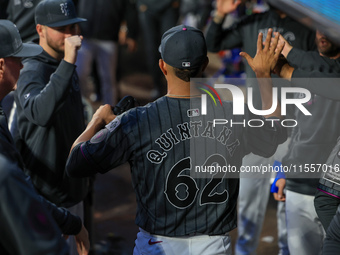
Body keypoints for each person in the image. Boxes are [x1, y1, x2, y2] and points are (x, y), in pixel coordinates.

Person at [65, 25, 286, 254]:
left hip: (158, 246)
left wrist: (98, 120)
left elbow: (75, 163)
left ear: (162, 66)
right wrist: (263, 75)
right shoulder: (233, 114)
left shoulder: (138, 120)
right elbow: (277, 131)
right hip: (212, 246)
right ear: (204, 66)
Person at [205, 1, 317, 254]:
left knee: (289, 210)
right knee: (247, 206)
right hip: (256, 126)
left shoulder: (307, 27)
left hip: (293, 129)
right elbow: (213, 44)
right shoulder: (254, 23)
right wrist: (221, 14)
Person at [0, 19, 89, 255]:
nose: (21, 65)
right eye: (17, 59)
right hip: (48, 201)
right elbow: (17, 186)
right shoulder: (201, 96)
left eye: (73, 27)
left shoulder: (201, 97)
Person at [272, 30, 340, 255]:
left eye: (330, 28)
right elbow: (294, 128)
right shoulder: (304, 71)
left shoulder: (308, 69)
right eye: (319, 29)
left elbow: (330, 75)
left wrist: (288, 59)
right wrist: (281, 171)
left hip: (334, 192)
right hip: (300, 185)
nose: (324, 35)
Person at [76, 0, 138, 105]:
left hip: (108, 37)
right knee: (79, 75)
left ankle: (110, 113)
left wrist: (130, 32)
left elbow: (129, 8)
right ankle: (81, 109)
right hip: (84, 36)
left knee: (108, 79)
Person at [137, 0, 180, 99]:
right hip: (147, 7)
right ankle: (157, 85)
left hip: (168, 6)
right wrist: (140, 3)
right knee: (151, 50)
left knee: (170, 47)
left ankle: (173, 85)